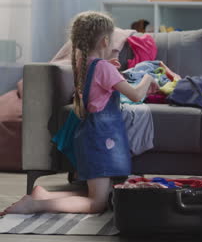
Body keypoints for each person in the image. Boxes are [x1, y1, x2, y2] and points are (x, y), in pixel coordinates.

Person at [1, 11, 158, 215]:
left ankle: (43, 195)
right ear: (105, 41)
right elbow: (136, 95)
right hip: (101, 141)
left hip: (91, 137)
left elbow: (98, 86)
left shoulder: (85, 64)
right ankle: (35, 205)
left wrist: (110, 69)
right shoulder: (103, 68)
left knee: (101, 193)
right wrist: (147, 77)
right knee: (96, 204)